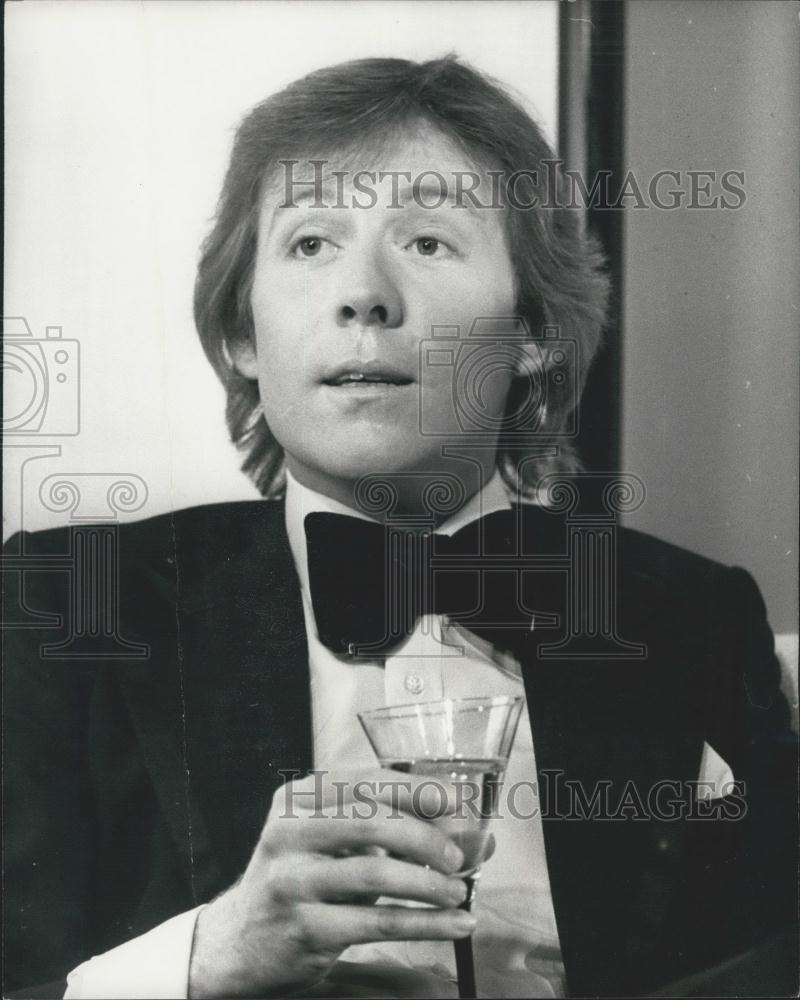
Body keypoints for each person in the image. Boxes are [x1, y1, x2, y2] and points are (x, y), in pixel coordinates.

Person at [3, 56, 795, 999]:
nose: (363, 294)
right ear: (245, 337)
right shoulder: (63, 603)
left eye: (426, 240)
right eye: (309, 244)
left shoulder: (693, 615)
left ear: (533, 329)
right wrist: (203, 960)